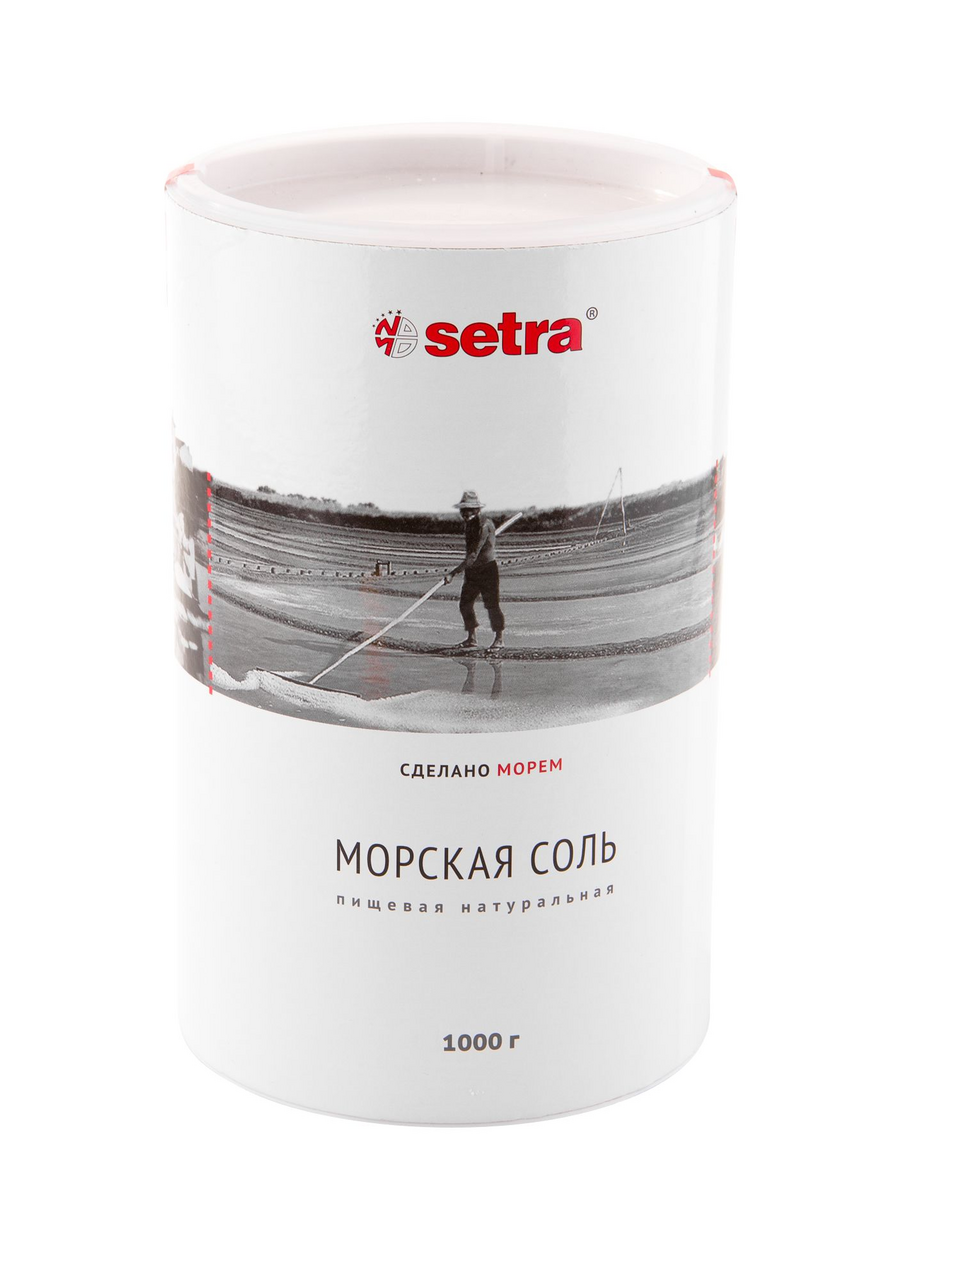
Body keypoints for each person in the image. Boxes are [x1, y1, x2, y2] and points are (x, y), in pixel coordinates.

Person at [444, 490, 505, 651]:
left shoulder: (484, 526)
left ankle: (499, 639)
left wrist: (452, 573)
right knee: (465, 604)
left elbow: (472, 555)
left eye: (467, 510)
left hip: (487, 570)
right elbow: (470, 554)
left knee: (492, 605)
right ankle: (471, 639)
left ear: (476, 510)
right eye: (462, 510)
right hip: (472, 571)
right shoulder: (469, 525)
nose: (464, 513)